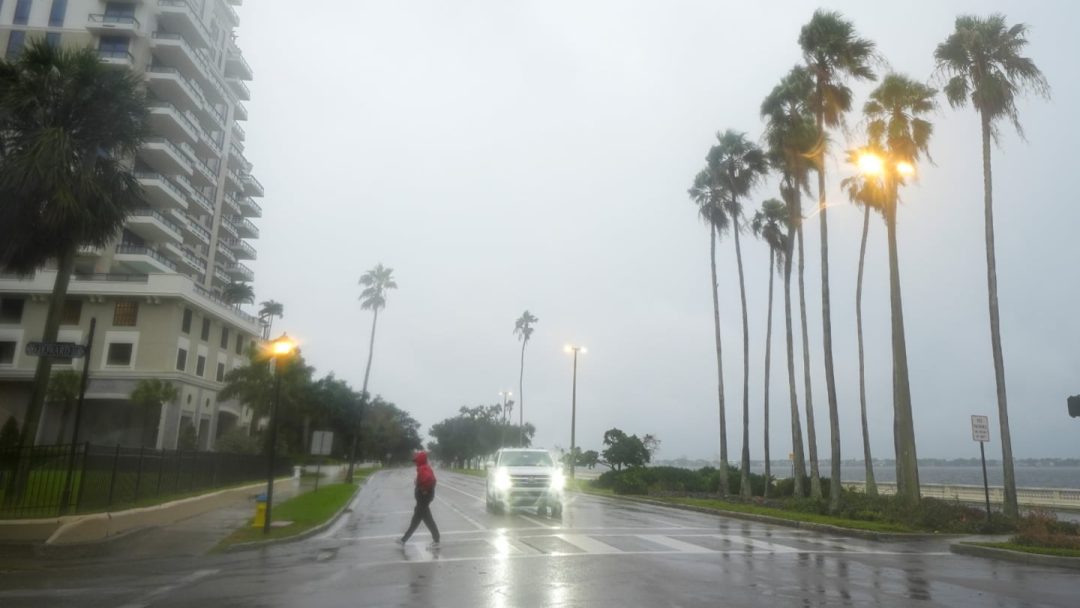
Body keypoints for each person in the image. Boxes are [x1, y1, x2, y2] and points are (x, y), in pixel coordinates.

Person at [399, 451, 441, 548]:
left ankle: (436, 540)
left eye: (416, 461)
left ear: (420, 460)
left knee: (421, 520)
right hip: (423, 499)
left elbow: (430, 479)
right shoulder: (423, 468)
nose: (415, 463)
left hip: (423, 499)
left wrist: (424, 489)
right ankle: (404, 540)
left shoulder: (423, 468)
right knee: (422, 519)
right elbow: (429, 480)